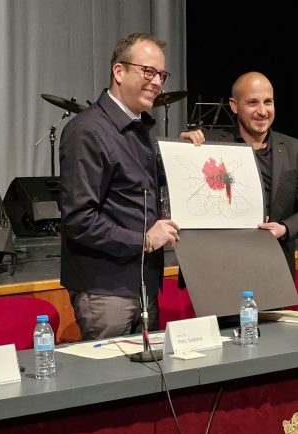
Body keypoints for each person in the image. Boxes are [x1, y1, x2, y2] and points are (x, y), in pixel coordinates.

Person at [59, 33, 195, 340]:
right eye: (148, 71)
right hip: (106, 289)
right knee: (111, 371)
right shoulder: (87, 131)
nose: (157, 82)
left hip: (143, 283)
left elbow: (142, 188)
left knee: (146, 370)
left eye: (162, 75)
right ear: (119, 72)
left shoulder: (141, 130)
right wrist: (145, 241)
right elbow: (79, 220)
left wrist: (184, 156)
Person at [185, 71, 298, 278]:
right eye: (252, 102)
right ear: (234, 105)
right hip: (220, 267)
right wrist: (183, 148)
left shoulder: (295, 149)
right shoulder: (208, 145)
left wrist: (284, 228)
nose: (262, 111)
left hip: (275, 266)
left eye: (268, 102)